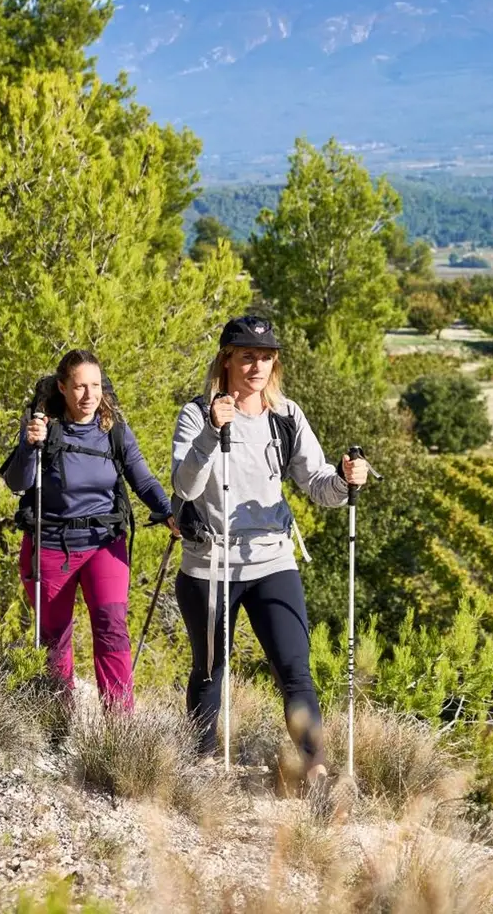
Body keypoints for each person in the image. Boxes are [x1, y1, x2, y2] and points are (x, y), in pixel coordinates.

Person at [171, 315, 368, 784]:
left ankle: (315, 765)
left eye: (264, 357)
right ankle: (201, 762)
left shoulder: (286, 416)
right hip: (210, 563)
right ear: (227, 360)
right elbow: (183, 484)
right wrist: (208, 435)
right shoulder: (197, 414)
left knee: (294, 666)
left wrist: (345, 480)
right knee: (210, 668)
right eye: (246, 356)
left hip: (272, 559)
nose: (256, 366)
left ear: (273, 362)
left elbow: (318, 485)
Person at [4, 349, 172, 708]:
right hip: (50, 544)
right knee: (53, 637)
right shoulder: (41, 428)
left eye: (95, 385)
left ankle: (119, 724)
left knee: (112, 628)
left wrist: (169, 512)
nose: (88, 395)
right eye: (79, 386)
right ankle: (57, 717)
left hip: (104, 543)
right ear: (63, 388)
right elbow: (18, 482)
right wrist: (29, 444)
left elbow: (142, 480)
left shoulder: (114, 432)